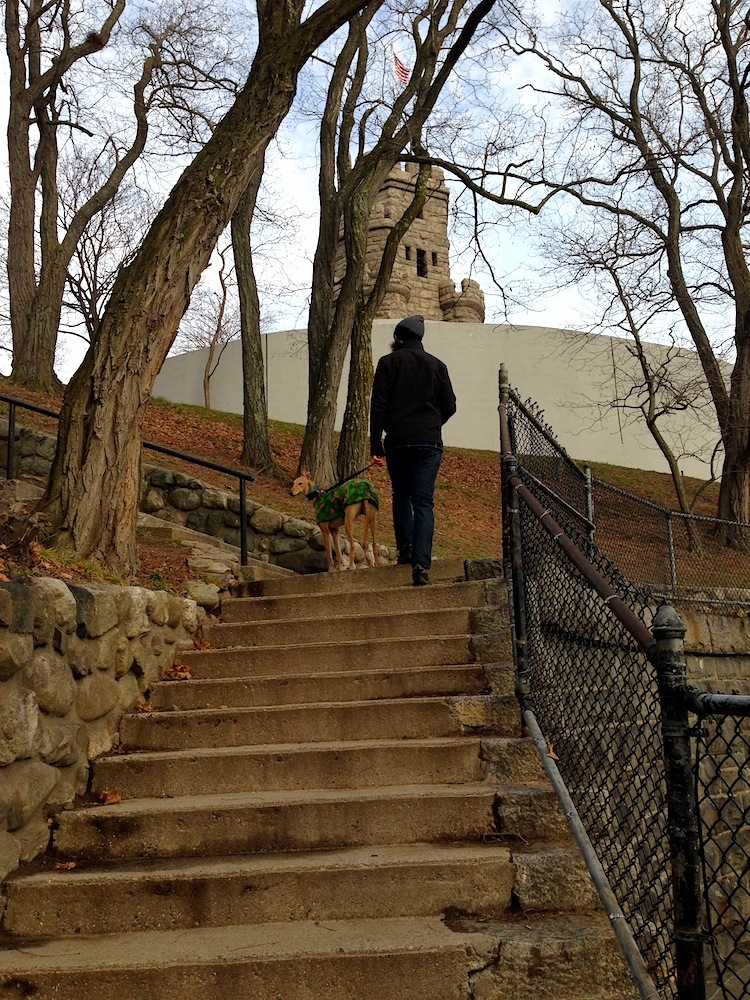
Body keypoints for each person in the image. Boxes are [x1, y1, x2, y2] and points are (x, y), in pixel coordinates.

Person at [369, 315, 456, 586]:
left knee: (401, 496)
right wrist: (432, 423)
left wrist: (376, 444)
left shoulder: (388, 363)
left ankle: (405, 550)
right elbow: (450, 405)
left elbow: (378, 406)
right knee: (424, 502)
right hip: (429, 443)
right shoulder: (437, 366)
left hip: (398, 441)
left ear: (398, 338)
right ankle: (421, 565)